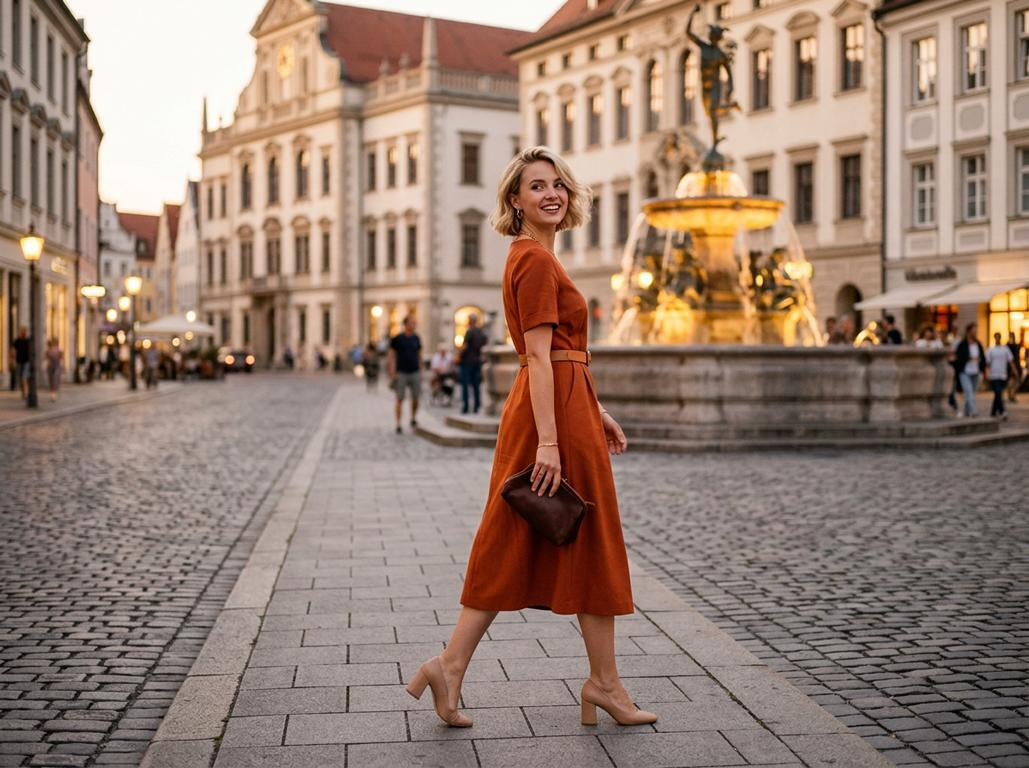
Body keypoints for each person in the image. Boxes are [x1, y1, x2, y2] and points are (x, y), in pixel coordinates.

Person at [405, 147, 656, 729]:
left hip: (562, 405)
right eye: (536, 186)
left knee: (510, 537)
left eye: (558, 185)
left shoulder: (532, 256)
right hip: (551, 415)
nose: (551, 194)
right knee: (582, 538)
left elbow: (559, 358)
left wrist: (597, 410)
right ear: (514, 201)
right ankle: (602, 683)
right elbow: (540, 357)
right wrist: (552, 441)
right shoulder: (536, 262)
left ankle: (454, 665)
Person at [387, 317, 422, 433]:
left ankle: (413, 418)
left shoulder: (416, 338)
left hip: (415, 371)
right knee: (399, 398)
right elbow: (391, 356)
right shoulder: (397, 339)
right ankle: (398, 424)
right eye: (412, 323)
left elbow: (419, 354)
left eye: (415, 324)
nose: (414, 326)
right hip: (401, 372)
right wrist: (392, 372)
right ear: (406, 324)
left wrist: (421, 370)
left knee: (416, 398)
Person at [954, 323, 985, 417]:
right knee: (968, 392)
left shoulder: (978, 344)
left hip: (975, 371)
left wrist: (981, 363)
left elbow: (983, 357)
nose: (975, 332)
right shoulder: (962, 344)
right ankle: (974, 411)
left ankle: (966, 411)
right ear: (968, 331)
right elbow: (958, 357)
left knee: (971, 393)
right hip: (965, 372)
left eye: (976, 330)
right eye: (974, 330)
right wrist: (969, 358)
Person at [459, 314, 488, 414]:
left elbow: (465, 346)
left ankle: (466, 406)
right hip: (477, 361)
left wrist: (458, 355)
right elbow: (484, 347)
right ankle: (476, 406)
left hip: (467, 362)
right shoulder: (481, 332)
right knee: (476, 385)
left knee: (465, 385)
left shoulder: (470, 331)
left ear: (470, 321)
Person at [985, 332, 1015, 419]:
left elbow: (1011, 361)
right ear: (994, 338)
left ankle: (993, 412)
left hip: (1003, 375)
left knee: (998, 394)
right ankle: (1002, 411)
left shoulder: (1005, 349)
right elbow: (988, 364)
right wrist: (986, 374)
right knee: (998, 393)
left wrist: (1015, 371)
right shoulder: (991, 350)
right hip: (993, 375)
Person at [10, 327, 31, 399]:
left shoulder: (28, 341)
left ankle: (26, 393)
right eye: (22, 331)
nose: (23, 333)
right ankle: (23, 392)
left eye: (24, 331)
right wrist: (13, 360)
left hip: (26, 362)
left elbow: (31, 351)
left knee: (24, 378)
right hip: (19, 361)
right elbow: (13, 350)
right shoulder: (17, 341)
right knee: (20, 379)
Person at [1007, 332, 1022, 403]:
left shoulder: (1016, 345)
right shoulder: (1008, 346)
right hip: (1011, 365)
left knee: (1016, 381)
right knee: (1012, 380)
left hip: (1016, 364)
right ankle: (1011, 394)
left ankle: (1012, 394)